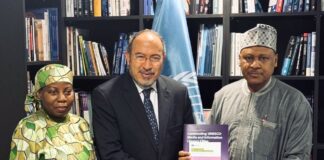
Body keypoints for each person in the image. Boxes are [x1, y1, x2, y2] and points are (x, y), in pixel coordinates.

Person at [179, 24, 312, 159]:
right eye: (248, 58)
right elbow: (209, 151)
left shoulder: (295, 103)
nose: (255, 65)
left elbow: (298, 156)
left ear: (275, 60)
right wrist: (194, 156)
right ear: (239, 60)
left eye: (263, 58)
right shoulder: (223, 96)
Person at [92, 29, 194, 160]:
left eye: (155, 58)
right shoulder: (105, 96)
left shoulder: (179, 93)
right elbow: (111, 154)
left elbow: (189, 145)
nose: (147, 66)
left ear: (163, 59)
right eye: (140, 57)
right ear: (128, 58)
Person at [9, 64, 96, 160]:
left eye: (68, 92)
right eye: (53, 92)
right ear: (39, 94)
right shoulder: (29, 128)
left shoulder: (81, 124)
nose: (62, 98)